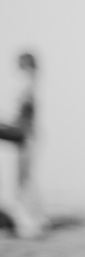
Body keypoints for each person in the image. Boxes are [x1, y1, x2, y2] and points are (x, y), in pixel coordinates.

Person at [0, 51, 45, 238]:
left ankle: (30, 222)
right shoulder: (30, 85)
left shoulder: (29, 85)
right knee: (24, 180)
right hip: (26, 136)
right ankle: (31, 220)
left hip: (26, 137)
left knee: (24, 180)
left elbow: (23, 119)